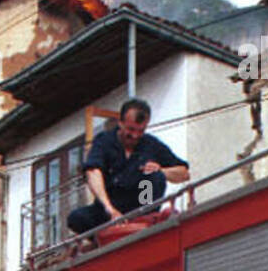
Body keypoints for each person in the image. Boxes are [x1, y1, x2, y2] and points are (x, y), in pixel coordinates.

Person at [67, 97, 190, 235]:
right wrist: (110, 209)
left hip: (141, 205)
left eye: (140, 131)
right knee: (76, 218)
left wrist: (161, 170)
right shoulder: (104, 141)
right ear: (120, 122)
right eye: (131, 129)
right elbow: (93, 171)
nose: (135, 135)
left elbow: (184, 173)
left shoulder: (152, 145)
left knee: (155, 177)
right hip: (110, 207)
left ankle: (146, 222)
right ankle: (102, 239)